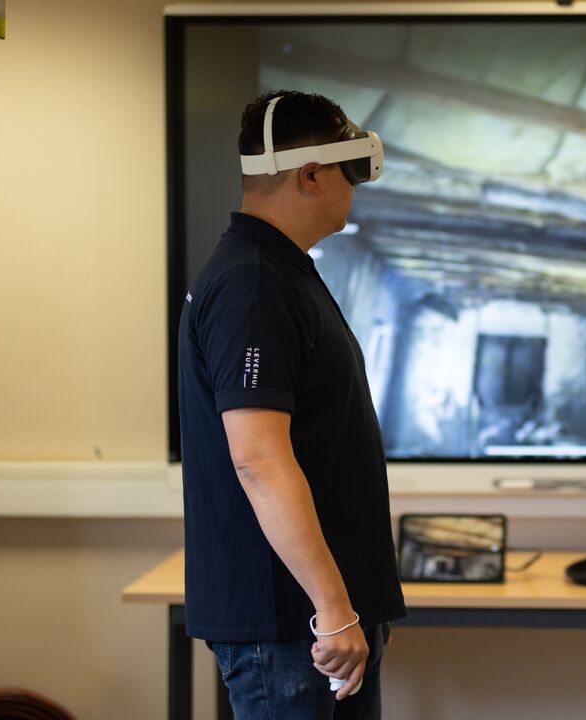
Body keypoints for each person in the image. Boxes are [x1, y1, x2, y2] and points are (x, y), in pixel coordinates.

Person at [177, 89, 405, 720]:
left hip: (317, 617)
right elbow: (257, 457)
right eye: (350, 171)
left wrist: (348, 607)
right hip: (291, 623)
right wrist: (331, 610)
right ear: (311, 175)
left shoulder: (282, 271)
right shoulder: (253, 282)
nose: (356, 188)